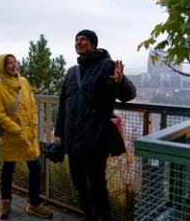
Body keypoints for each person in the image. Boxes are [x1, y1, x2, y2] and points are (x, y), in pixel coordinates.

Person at [54, 30, 136, 221]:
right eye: (76, 39)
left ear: (93, 44)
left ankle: (104, 217)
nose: (78, 42)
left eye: (83, 39)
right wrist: (59, 133)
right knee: (79, 183)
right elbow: (63, 106)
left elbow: (129, 94)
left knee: (97, 185)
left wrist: (121, 81)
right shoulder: (72, 72)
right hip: (73, 138)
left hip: (95, 139)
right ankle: (89, 216)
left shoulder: (106, 65)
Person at [0, 54, 53, 220]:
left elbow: (32, 105)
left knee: (36, 168)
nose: (13, 65)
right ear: (2, 68)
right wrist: (18, 130)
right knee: (8, 170)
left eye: (14, 62)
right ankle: (6, 202)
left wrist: (33, 125)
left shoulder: (24, 82)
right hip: (12, 137)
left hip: (29, 135)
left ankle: (33, 203)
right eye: (8, 63)